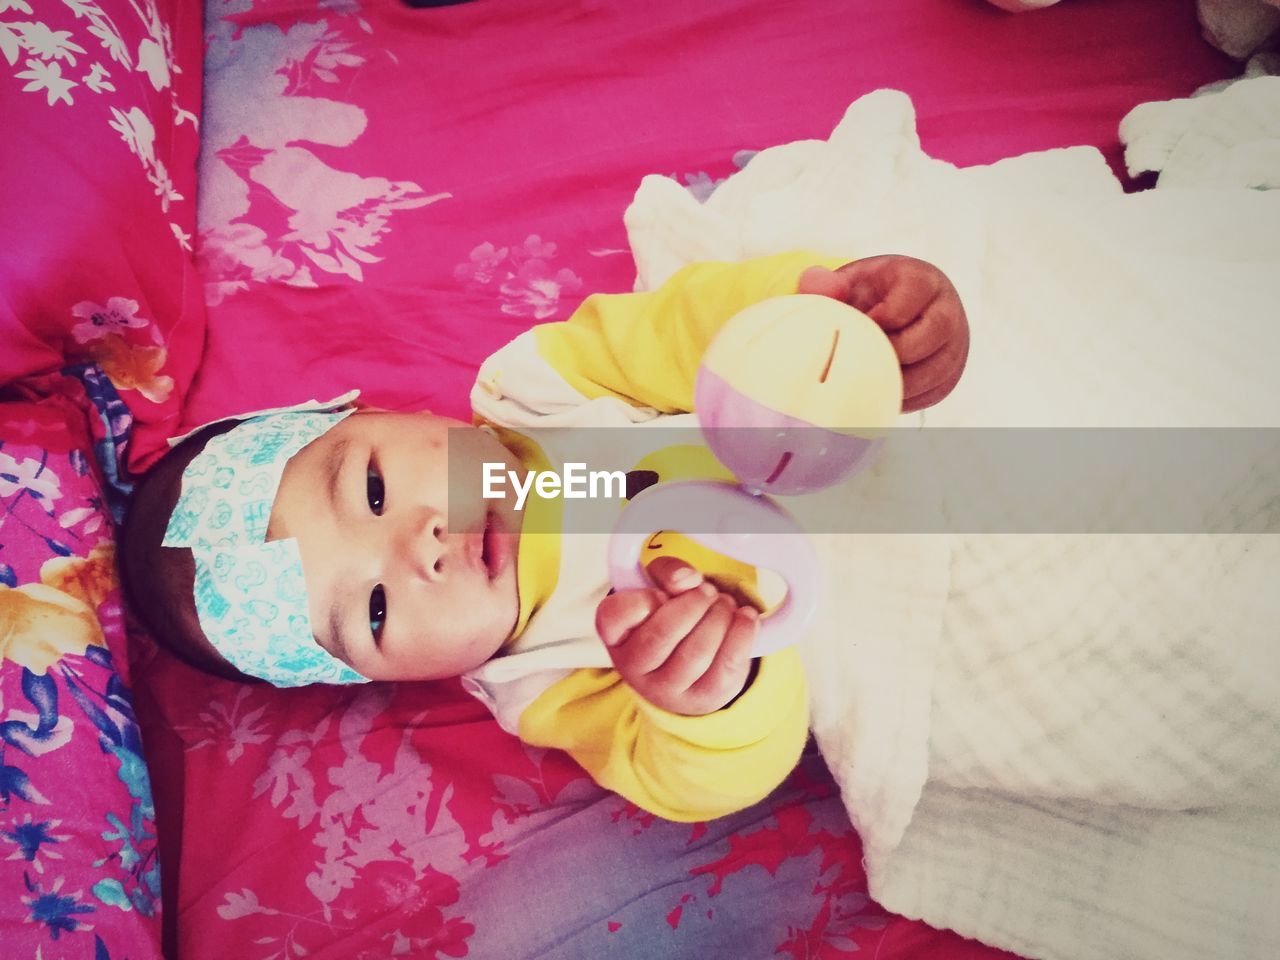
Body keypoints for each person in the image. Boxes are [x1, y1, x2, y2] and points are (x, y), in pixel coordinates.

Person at [119, 251, 969, 821]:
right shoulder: (545, 680)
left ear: (390, 413)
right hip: (915, 626)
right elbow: (691, 780)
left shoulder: (544, 391)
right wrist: (711, 699)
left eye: (374, 487)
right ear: (383, 677)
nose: (421, 548)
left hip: (891, 430)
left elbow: (689, 328)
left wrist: (821, 324)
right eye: (374, 610)